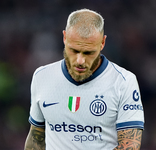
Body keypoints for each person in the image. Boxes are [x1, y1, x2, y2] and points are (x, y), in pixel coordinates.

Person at [24, 8, 144, 150]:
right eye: (74, 50)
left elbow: (129, 146)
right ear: (64, 37)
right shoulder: (42, 76)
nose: (80, 60)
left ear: (102, 43)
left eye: (89, 53)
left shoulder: (123, 82)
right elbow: (36, 138)